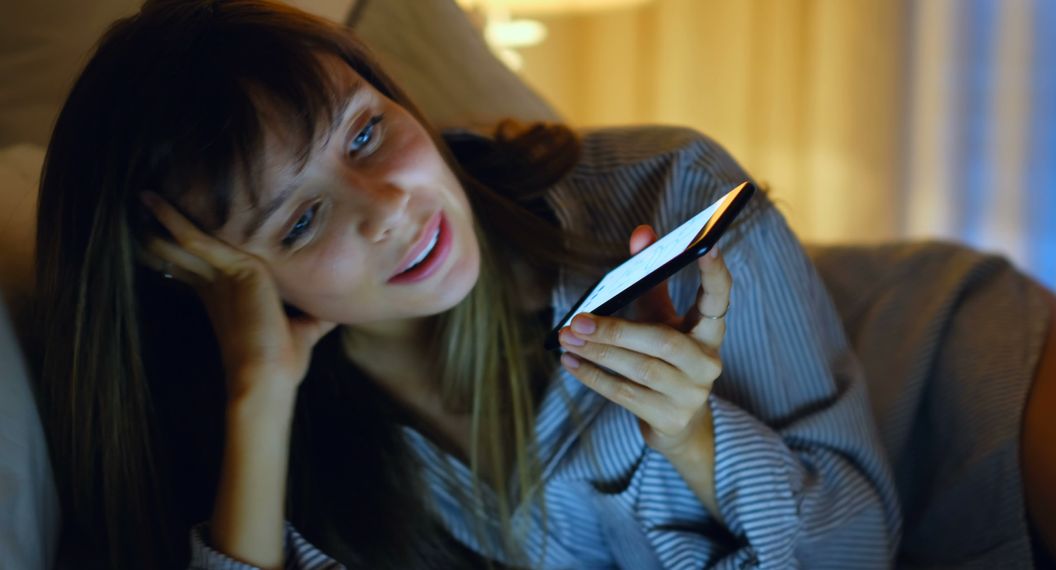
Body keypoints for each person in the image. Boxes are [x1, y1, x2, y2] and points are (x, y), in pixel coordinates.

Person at [30, 0, 903, 568]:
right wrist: (260, 400)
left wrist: (696, 437)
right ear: (211, 277)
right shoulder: (245, 427)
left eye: (366, 134)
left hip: (932, 337)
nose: (386, 210)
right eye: (298, 220)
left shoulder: (671, 195)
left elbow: (862, 547)